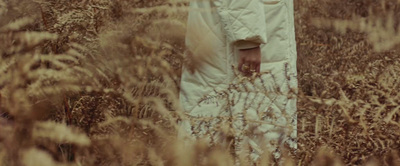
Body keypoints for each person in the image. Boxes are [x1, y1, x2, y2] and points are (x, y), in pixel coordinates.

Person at [179, 0, 298, 162]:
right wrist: (247, 38)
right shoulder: (247, 39)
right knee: (247, 133)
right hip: (241, 32)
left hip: (249, 24)